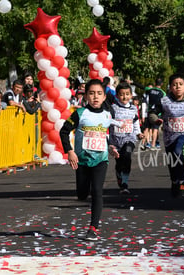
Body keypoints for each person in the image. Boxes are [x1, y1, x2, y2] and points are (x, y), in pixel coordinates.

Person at [59, 79, 123, 241]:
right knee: (82, 194)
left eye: (99, 94)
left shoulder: (108, 114)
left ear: (104, 97)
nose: (95, 97)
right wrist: (70, 152)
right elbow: (64, 132)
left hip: (100, 160)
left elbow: (104, 136)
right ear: (86, 95)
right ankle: (83, 192)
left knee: (97, 191)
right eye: (92, 93)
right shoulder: (80, 113)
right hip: (81, 161)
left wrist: (110, 148)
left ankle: (93, 228)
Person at [148, 73, 184, 197]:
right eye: (174, 85)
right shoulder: (164, 101)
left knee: (178, 151)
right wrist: (156, 120)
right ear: (170, 87)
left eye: (180, 84)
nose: (178, 87)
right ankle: (175, 182)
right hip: (169, 135)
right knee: (171, 160)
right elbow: (152, 113)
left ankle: (183, 182)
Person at [109, 82, 144, 194]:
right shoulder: (113, 108)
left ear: (131, 95)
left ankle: (125, 182)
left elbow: (135, 122)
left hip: (129, 137)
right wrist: (117, 124)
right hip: (116, 139)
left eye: (127, 94)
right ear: (117, 96)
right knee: (120, 160)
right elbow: (107, 120)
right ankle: (119, 173)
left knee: (127, 155)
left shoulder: (134, 108)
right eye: (122, 94)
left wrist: (138, 133)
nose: (125, 97)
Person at [134, 78, 166, 150]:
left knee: (146, 129)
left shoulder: (150, 90)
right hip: (157, 113)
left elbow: (141, 86)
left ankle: (142, 144)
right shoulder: (163, 93)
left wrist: (132, 82)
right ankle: (153, 145)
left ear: (155, 83)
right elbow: (164, 104)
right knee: (155, 129)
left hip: (149, 112)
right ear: (162, 84)